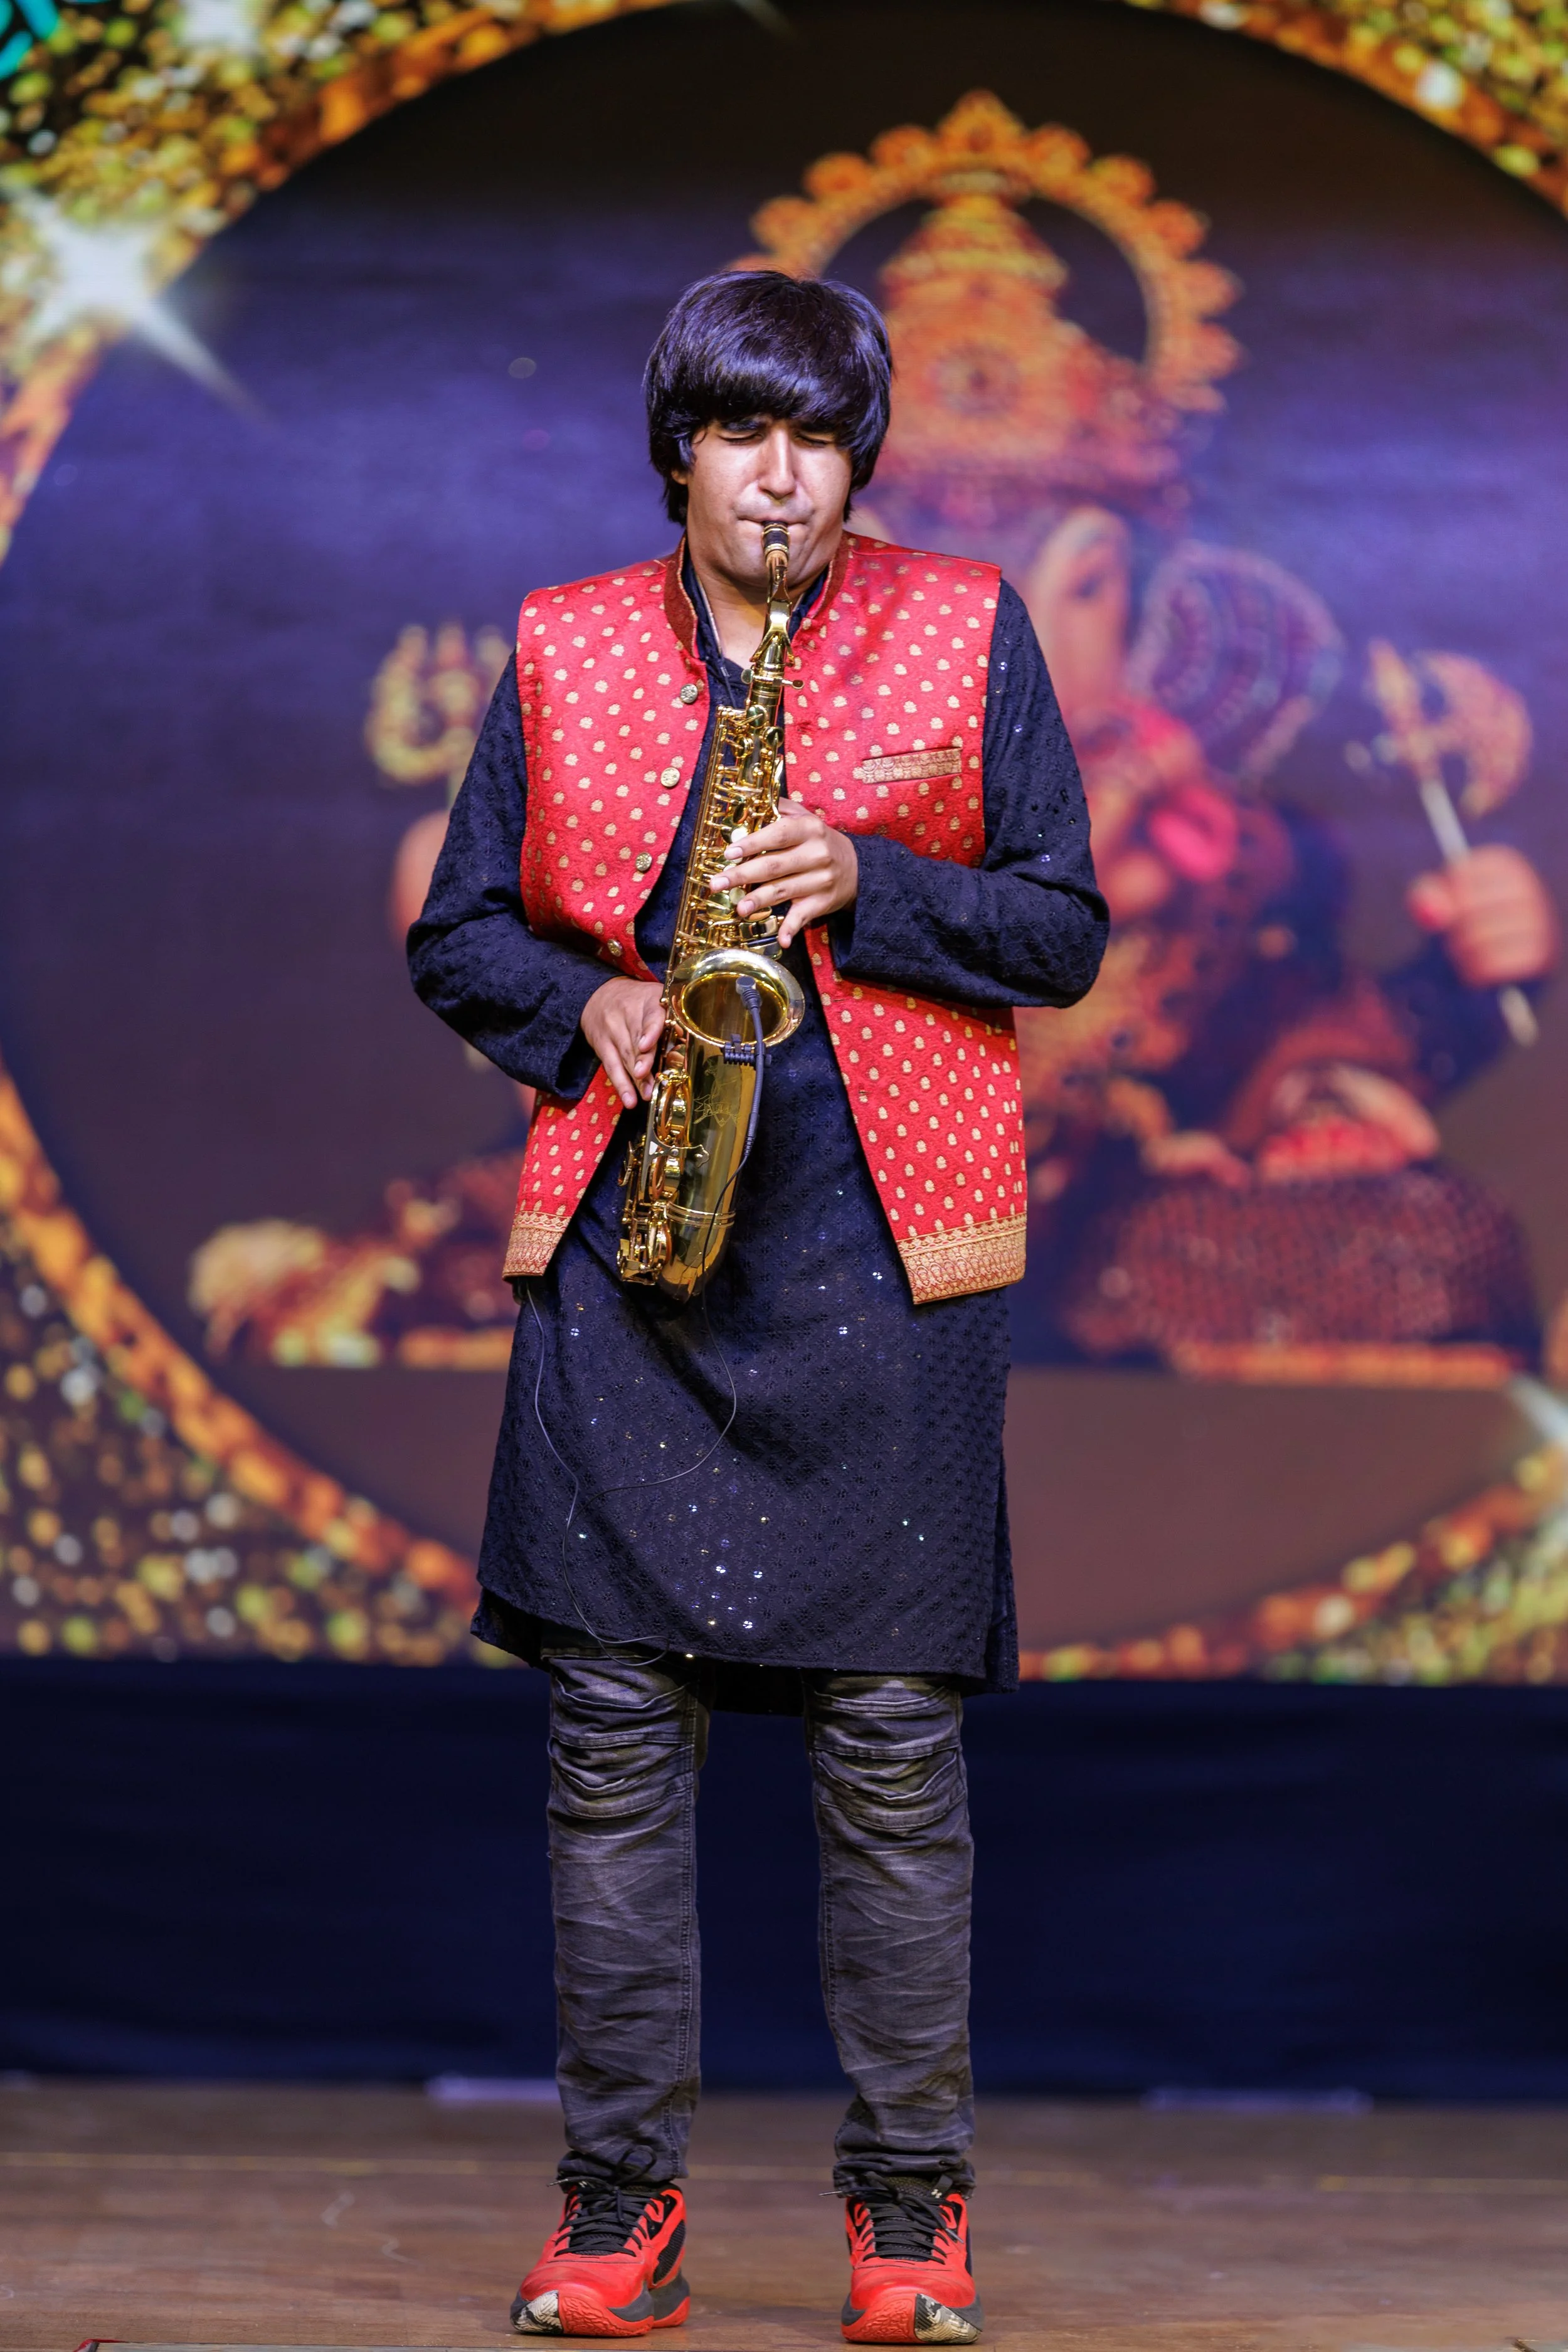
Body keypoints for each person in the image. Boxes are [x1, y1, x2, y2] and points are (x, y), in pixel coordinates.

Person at [408, 270, 1106, 2345]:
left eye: (813, 435)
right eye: (739, 432)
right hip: (636, 1264)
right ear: (681, 454)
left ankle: (910, 2223)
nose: (779, 473)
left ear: (856, 457)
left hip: (884, 1274)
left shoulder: (968, 624)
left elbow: (1059, 927)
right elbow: (462, 937)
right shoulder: (560, 642)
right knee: (611, 1753)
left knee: (892, 1762)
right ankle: (620, 2207)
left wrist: (867, 885)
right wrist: (592, 996)